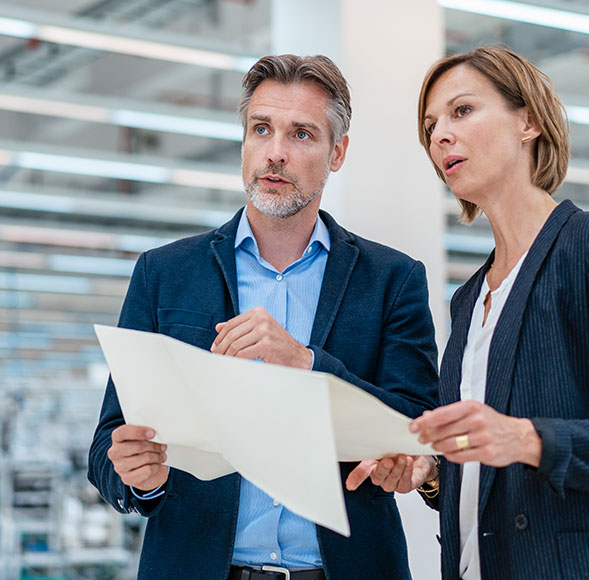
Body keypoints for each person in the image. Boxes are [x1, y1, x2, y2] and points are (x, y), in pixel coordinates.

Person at [347, 47, 589, 579]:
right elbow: (486, 472)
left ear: (528, 121)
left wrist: (527, 438)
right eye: (430, 126)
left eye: (461, 111)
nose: (440, 135)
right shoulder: (468, 300)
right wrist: (431, 473)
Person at [87, 54, 439, 580]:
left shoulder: (392, 279)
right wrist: (138, 479)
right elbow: (108, 440)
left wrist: (306, 362)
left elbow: (420, 428)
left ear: (337, 152)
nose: (275, 153)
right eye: (261, 129)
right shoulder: (164, 273)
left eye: (301, 134)